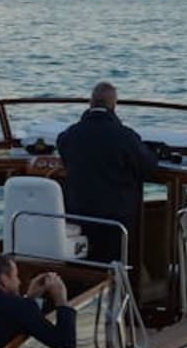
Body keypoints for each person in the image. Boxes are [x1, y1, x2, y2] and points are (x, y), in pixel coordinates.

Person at [57, 81, 158, 265]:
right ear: (114, 105)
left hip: (78, 216)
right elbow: (150, 167)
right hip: (114, 222)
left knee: (83, 264)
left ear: (90, 103)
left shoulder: (69, 136)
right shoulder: (125, 137)